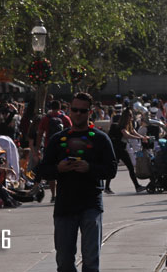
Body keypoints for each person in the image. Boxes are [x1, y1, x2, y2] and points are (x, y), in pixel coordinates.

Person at [39, 92, 117, 272]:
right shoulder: (58, 139)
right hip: (65, 205)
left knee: (90, 259)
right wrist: (59, 168)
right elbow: (43, 170)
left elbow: (111, 169)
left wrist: (90, 168)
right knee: (64, 261)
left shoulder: (100, 138)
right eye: (75, 110)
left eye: (83, 110)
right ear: (69, 111)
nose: (78, 114)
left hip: (91, 204)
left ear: (90, 112)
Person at [105, 108, 146, 194]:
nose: (131, 117)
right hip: (117, 149)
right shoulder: (121, 125)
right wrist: (140, 138)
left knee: (128, 168)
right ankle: (107, 187)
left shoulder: (129, 124)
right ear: (126, 116)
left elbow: (133, 132)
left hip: (122, 149)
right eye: (130, 115)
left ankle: (137, 186)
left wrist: (142, 137)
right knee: (120, 168)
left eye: (131, 115)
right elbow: (127, 135)